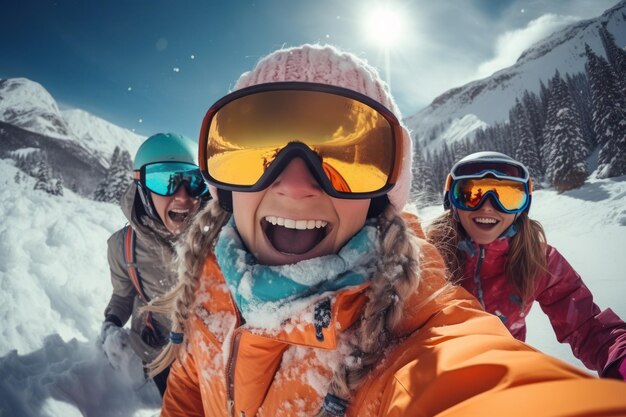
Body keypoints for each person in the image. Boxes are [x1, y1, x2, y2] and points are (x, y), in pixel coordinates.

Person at [146, 45, 626, 417]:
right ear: (224, 188)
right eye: (255, 154)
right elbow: (191, 388)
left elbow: (463, 377)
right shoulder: (211, 283)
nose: (294, 184)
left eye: (345, 162)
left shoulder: (410, 321)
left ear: (381, 199)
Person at [427, 151, 626, 380]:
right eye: (471, 194)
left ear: (523, 207)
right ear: (451, 200)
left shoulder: (536, 259)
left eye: (508, 197)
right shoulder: (428, 256)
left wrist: (620, 358)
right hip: (436, 385)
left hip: (506, 382)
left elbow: (587, 326)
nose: (488, 207)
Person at [101, 132, 210, 397]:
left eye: (195, 182)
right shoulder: (123, 247)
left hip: (211, 356)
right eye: (165, 181)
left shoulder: (218, 237)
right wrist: (111, 323)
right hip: (159, 351)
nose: (184, 197)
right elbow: (123, 294)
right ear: (141, 187)